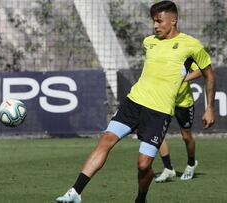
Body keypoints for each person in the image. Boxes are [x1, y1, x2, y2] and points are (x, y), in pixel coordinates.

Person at [56, 1, 216, 203]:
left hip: (159, 112)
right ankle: (75, 192)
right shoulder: (149, 41)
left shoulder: (191, 45)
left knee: (143, 166)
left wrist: (210, 108)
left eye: (159, 21)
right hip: (134, 102)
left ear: (173, 20)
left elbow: (209, 75)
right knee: (106, 139)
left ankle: (141, 197)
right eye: (153, 22)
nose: (155, 26)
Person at [154, 63, 203, 183]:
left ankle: (191, 164)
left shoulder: (184, 54)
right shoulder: (160, 52)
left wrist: (183, 78)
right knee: (157, 133)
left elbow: (200, 71)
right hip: (164, 100)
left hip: (183, 103)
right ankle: (168, 168)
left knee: (186, 136)